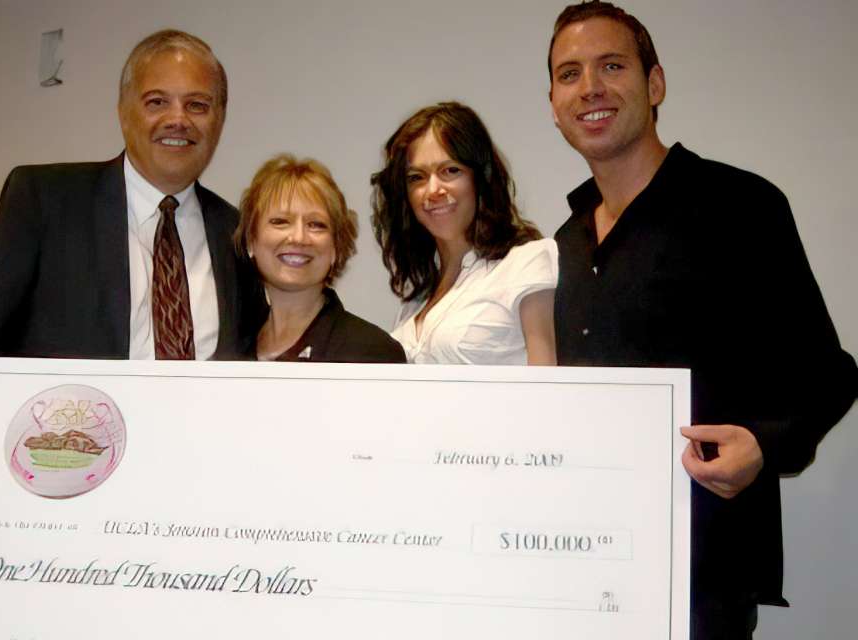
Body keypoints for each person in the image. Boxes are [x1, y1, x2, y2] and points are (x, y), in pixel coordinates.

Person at [546, 2, 858, 638]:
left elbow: (828, 375)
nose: (591, 89)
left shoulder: (740, 206)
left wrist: (763, 445)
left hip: (702, 573)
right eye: (569, 74)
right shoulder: (564, 244)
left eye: (611, 65)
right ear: (553, 102)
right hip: (583, 565)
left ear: (654, 83)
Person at [0, 29, 263, 548]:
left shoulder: (239, 235)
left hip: (195, 511)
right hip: (56, 510)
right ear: (125, 110)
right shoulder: (44, 201)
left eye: (198, 104)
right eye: (156, 101)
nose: (178, 119)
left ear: (219, 119)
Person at [371, 102, 557, 365]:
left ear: (481, 177)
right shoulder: (417, 301)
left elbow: (547, 384)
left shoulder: (527, 262)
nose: (433, 190)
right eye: (417, 177)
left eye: (450, 171)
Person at [235, 154, 405, 363]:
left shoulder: (371, 351)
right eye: (280, 221)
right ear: (251, 241)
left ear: (336, 247)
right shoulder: (230, 347)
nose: (298, 238)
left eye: (316, 224)